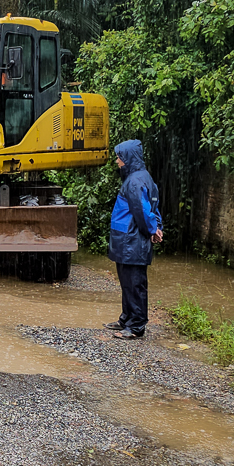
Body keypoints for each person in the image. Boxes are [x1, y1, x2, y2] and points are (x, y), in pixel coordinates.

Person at [104, 140, 163, 339]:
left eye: (120, 158)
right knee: (127, 282)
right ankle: (126, 319)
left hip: (132, 241)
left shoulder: (134, 181)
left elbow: (142, 210)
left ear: (128, 158)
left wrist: (153, 229)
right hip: (128, 241)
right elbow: (153, 207)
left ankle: (136, 326)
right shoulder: (142, 178)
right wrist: (157, 228)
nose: (118, 162)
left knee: (135, 283)